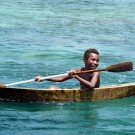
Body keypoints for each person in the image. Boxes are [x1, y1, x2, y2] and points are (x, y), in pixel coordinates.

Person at [35, 48, 100, 90]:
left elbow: (92, 85)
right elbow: (61, 79)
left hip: (91, 95)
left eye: (97, 60)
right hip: (82, 93)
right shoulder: (79, 70)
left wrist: (76, 77)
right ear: (85, 60)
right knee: (52, 88)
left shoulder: (96, 72)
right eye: (93, 60)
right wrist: (44, 78)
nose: (95, 63)